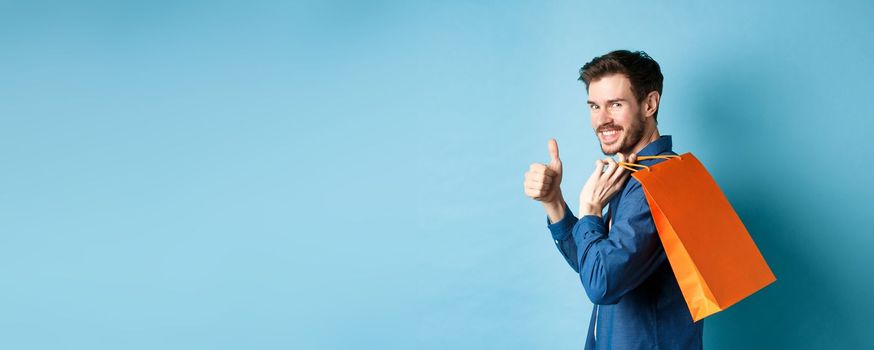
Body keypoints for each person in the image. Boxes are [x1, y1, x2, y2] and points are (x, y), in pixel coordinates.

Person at [523, 50, 703, 349]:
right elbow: (592, 264)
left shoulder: (658, 180)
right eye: (594, 106)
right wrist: (553, 202)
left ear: (649, 104)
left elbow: (601, 284)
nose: (602, 120)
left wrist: (591, 210)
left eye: (615, 105)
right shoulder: (634, 174)